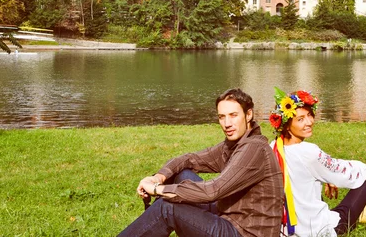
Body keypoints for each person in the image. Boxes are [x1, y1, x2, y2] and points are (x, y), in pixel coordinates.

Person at [118, 88, 283, 237]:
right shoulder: (234, 144)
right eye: (221, 117)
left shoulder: (254, 149)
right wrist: (158, 178)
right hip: (229, 215)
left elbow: (212, 191)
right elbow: (190, 159)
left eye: (233, 115)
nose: (227, 124)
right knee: (182, 174)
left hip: (244, 232)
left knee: (167, 208)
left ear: (248, 115)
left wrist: (156, 190)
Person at [269, 87, 366, 237]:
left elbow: (314, 170)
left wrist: (324, 176)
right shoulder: (308, 152)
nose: (309, 122)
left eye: (309, 115)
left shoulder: (273, 147)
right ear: (286, 124)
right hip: (317, 231)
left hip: (285, 230)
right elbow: (342, 170)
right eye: (300, 119)